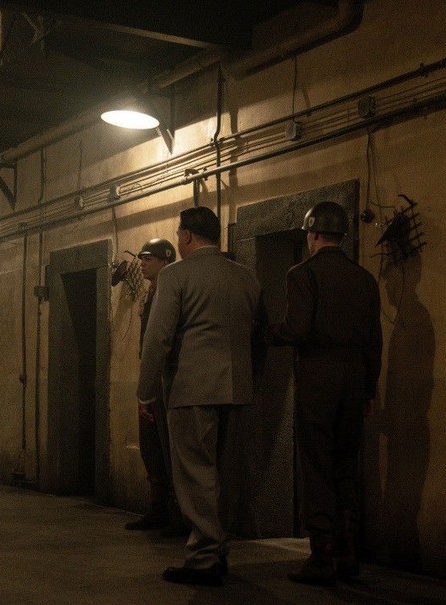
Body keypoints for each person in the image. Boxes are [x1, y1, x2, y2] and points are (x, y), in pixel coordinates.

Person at [137, 207, 262, 587]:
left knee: (195, 473)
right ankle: (219, 550)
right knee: (226, 474)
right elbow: (257, 335)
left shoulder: (175, 275)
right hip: (237, 389)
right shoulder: (246, 277)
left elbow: (158, 339)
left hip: (192, 388)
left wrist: (145, 392)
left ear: (187, 236)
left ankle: (204, 557)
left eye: (179, 235)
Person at [267, 201, 382, 586]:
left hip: (318, 375)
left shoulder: (302, 274)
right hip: (354, 377)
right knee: (346, 464)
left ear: (313, 234)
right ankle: (348, 552)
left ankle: (321, 556)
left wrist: (267, 333)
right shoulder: (364, 279)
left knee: (316, 464)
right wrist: (368, 388)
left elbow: (297, 329)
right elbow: (374, 340)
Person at [126, 238, 186, 537]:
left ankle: (177, 514)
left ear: (165, 261)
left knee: (168, 445)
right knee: (151, 446)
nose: (142, 264)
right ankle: (158, 507)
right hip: (152, 379)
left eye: (148, 259)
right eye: (141, 258)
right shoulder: (150, 294)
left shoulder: (172, 291)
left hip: (167, 380)